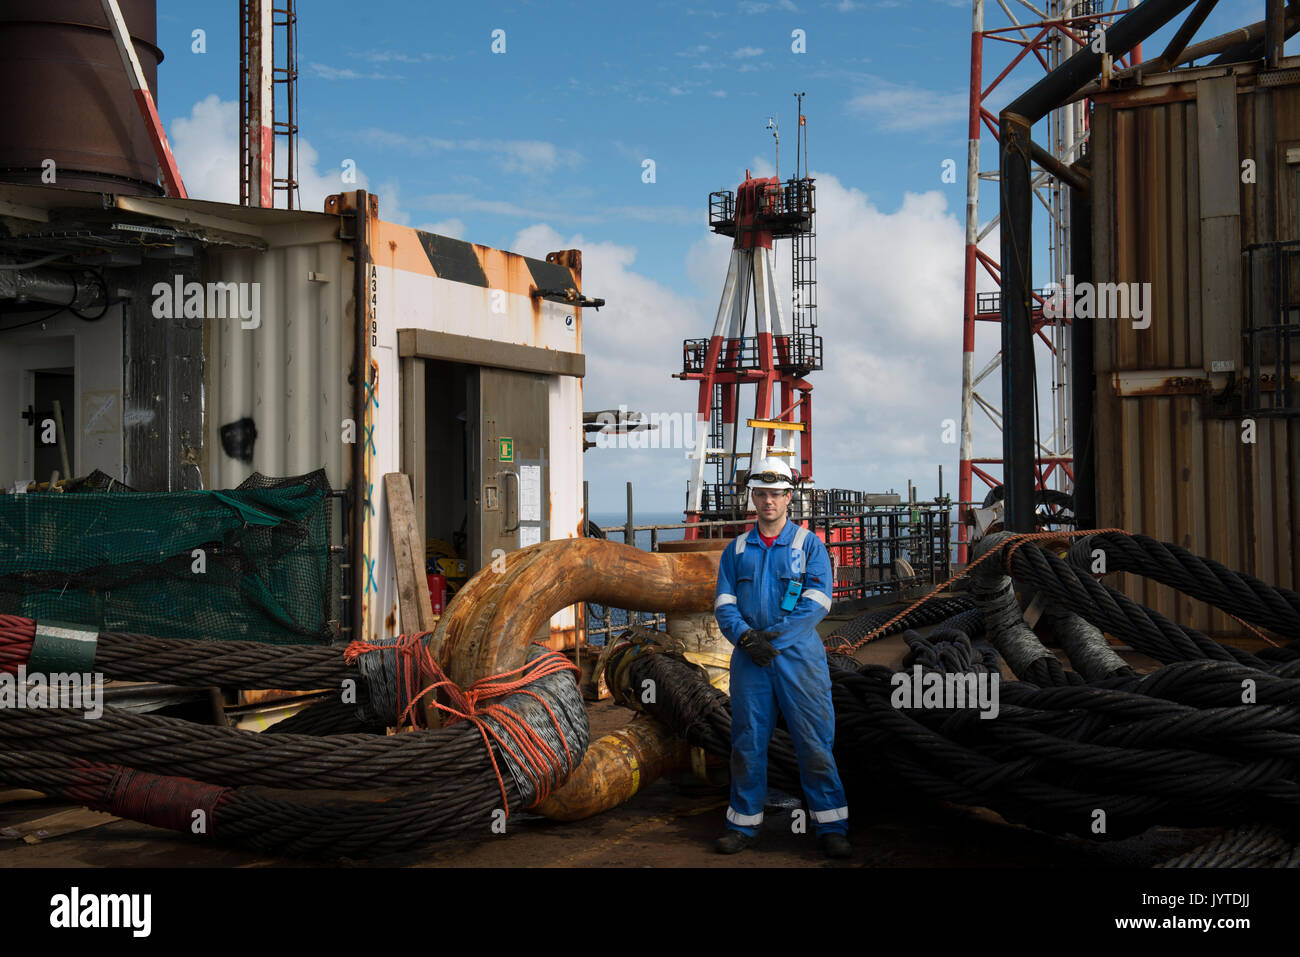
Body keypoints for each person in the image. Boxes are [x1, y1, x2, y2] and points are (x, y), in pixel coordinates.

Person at [712, 457, 850, 859]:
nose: (768, 501)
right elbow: (724, 603)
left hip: (798, 659)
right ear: (752, 497)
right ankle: (742, 826)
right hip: (750, 659)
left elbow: (818, 601)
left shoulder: (809, 546)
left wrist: (771, 640)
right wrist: (744, 638)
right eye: (761, 494)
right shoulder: (736, 550)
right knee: (747, 743)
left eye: (776, 494)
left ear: (790, 497)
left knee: (814, 742)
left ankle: (831, 826)